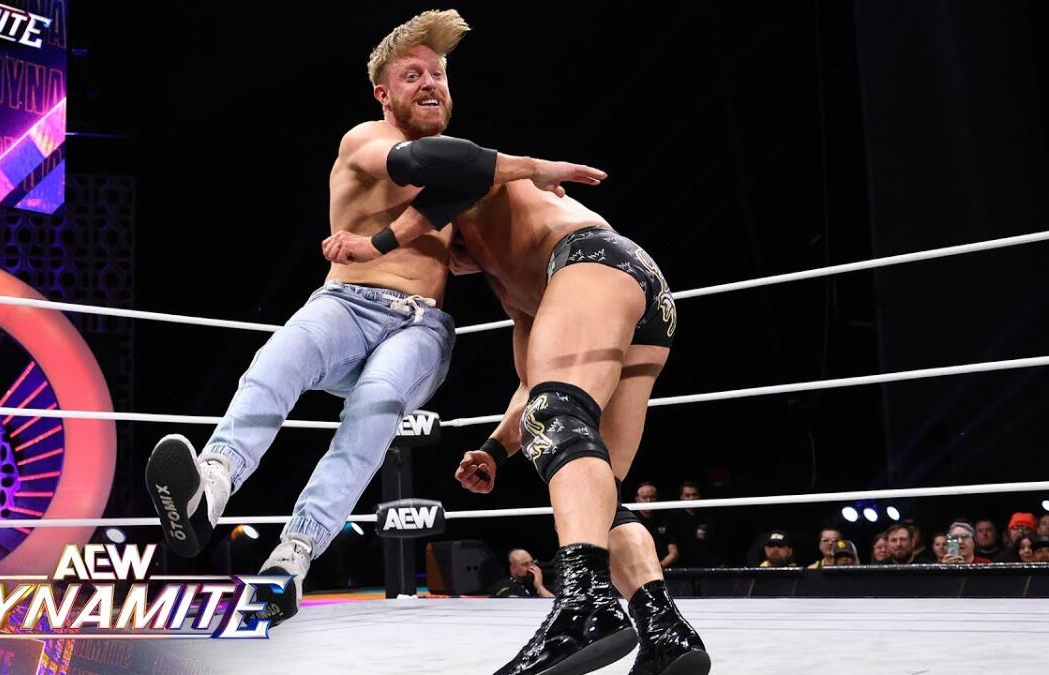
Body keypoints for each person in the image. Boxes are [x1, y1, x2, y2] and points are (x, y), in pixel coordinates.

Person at [145, 9, 598, 628]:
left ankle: (292, 558)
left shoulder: (465, 179)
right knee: (282, 357)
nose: (430, 83)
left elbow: (477, 241)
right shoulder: (365, 140)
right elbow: (423, 163)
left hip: (421, 328)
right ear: (383, 94)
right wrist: (531, 165)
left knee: (375, 408)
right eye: (413, 75)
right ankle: (212, 483)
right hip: (347, 305)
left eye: (438, 73)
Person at [324, 37, 708, 675]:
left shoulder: (467, 174)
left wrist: (378, 243)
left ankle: (583, 607)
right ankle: (665, 629)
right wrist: (496, 450)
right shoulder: (521, 290)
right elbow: (535, 385)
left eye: (438, 74)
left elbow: (452, 188)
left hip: (592, 260)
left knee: (560, 423)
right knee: (596, 488)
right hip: (641, 292)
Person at [666, 481, 723, 567]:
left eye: (694, 495)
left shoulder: (709, 518)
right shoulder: (673, 518)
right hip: (681, 568)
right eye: (687, 495)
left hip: (706, 567)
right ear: (681, 497)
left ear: (699, 496)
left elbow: (718, 543)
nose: (691, 498)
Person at [635, 482, 679, 567]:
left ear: (656, 498)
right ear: (637, 500)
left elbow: (674, 552)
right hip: (639, 569)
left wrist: (660, 565)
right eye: (645, 497)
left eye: (652, 497)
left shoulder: (664, 520)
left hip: (663, 569)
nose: (649, 501)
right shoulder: (631, 522)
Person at [490, 549, 555, 598]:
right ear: (513, 568)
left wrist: (540, 587)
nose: (531, 567)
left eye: (532, 563)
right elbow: (513, 605)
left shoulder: (537, 586)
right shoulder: (504, 584)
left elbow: (555, 607)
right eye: (525, 564)